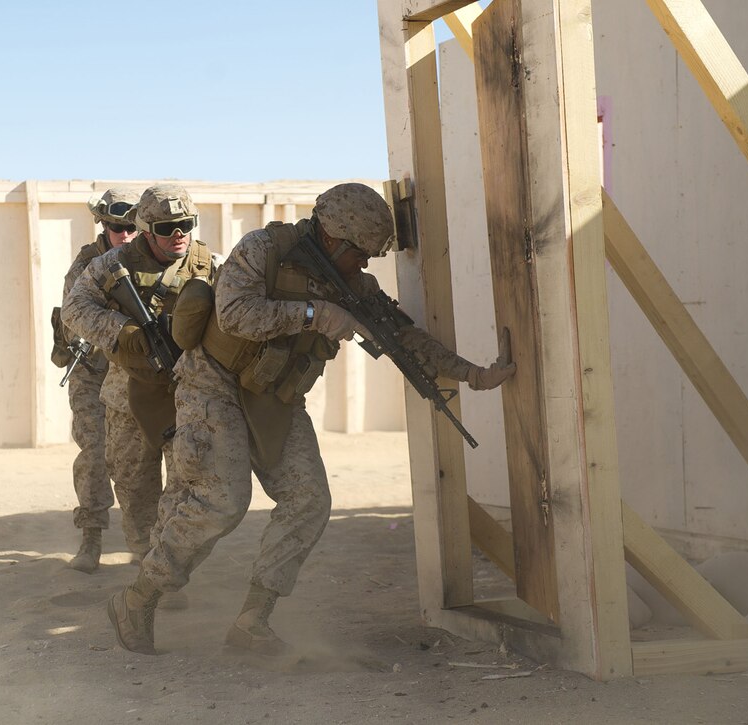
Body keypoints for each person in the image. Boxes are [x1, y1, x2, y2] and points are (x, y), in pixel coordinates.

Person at [107, 182, 516, 655]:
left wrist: (475, 375)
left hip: (274, 396)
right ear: (333, 238)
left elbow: (405, 338)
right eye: (360, 253)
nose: (364, 265)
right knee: (223, 500)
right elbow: (236, 314)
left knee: (309, 499)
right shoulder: (263, 248)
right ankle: (138, 598)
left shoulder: (354, 286)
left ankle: (252, 620)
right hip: (212, 383)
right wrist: (314, 314)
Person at [63, 184, 215, 593]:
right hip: (127, 389)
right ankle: (142, 556)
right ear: (148, 229)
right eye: (168, 226)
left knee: (184, 484)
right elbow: (75, 311)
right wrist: (124, 332)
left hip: (189, 392)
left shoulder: (208, 264)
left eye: (186, 224)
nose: (179, 232)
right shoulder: (110, 265)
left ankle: (163, 572)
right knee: (132, 486)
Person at [59, 187, 140, 572]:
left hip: (139, 375)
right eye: (114, 227)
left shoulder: (153, 260)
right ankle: (91, 537)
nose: (124, 235)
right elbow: (71, 316)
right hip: (94, 372)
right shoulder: (86, 264)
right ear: (102, 226)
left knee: (138, 460)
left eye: (130, 227)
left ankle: (147, 543)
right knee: (94, 454)